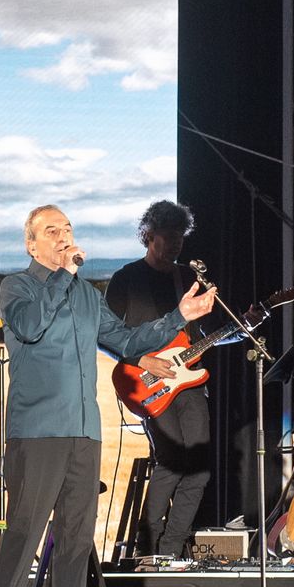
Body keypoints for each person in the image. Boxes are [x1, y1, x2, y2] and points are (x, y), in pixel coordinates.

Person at [0, 205, 216, 587]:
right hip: (38, 430)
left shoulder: (87, 295)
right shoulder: (17, 287)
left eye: (67, 229)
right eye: (51, 231)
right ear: (31, 244)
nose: (62, 236)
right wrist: (64, 276)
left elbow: (126, 342)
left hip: (85, 430)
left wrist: (178, 316)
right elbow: (28, 327)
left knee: (76, 538)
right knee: (24, 532)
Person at [104, 200, 218, 559]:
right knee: (171, 461)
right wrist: (142, 359)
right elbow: (105, 335)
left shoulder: (187, 279)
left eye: (180, 238)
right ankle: (146, 546)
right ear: (148, 236)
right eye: (168, 237)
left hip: (189, 383)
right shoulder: (125, 278)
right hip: (146, 380)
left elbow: (202, 336)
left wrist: (241, 325)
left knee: (199, 470)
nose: (175, 245)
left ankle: (169, 551)